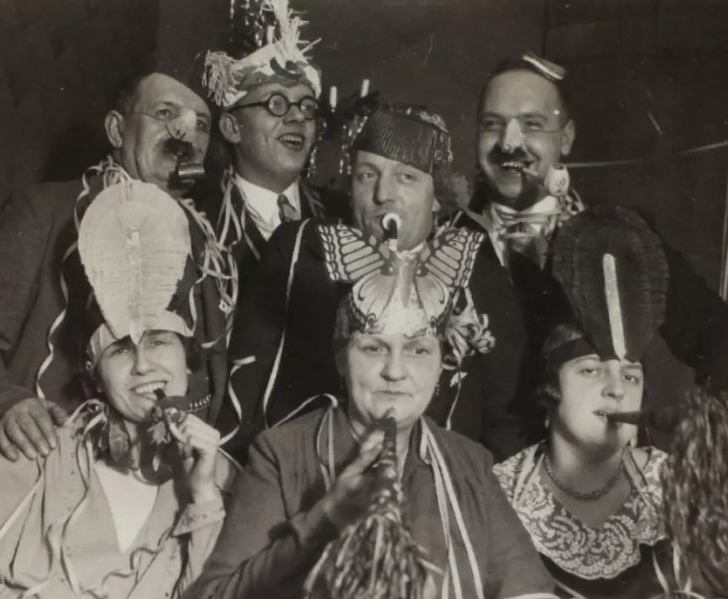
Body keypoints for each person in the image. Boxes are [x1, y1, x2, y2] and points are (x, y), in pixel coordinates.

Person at [191, 223, 573, 599]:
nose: (395, 371)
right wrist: (327, 515)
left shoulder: (469, 463)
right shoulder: (281, 454)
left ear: (441, 363)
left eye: (417, 350)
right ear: (340, 357)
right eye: (373, 347)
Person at [0, 182, 234, 599]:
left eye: (160, 342)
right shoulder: (44, 450)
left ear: (187, 363)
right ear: (94, 375)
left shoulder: (211, 480)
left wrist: (203, 499)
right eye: (120, 351)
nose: (145, 363)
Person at [493, 207, 728, 599]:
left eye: (630, 375)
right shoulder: (495, 495)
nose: (616, 390)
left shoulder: (678, 486)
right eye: (590, 371)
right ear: (550, 392)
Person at [0, 68, 235, 465]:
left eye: (201, 125)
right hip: (55, 471)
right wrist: (3, 405)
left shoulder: (212, 252)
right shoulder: (45, 212)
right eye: (165, 113)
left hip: (168, 487)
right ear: (116, 130)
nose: (185, 132)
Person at [449, 53, 728, 437]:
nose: (509, 144)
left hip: (602, 483)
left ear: (567, 139)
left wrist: (711, 447)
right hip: (474, 485)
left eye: (532, 125)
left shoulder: (622, 238)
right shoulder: (443, 243)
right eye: (492, 125)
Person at [220, 102, 531, 459]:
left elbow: (507, 424)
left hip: (434, 485)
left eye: (407, 177)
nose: (383, 194)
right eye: (367, 175)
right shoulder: (300, 253)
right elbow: (244, 394)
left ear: (436, 199)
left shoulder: (476, 272)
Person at [202, 0, 347, 267]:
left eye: (307, 106)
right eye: (276, 104)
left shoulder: (343, 216)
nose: (297, 117)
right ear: (232, 127)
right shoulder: (200, 224)